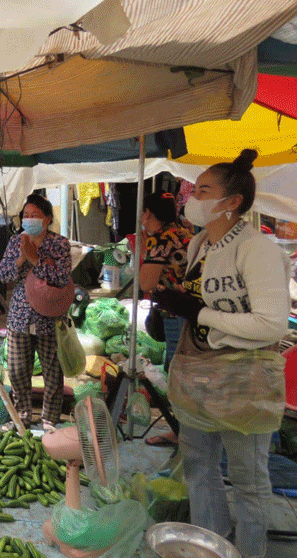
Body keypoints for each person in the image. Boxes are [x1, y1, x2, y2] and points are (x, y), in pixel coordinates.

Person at [151, 150, 289, 558]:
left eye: (203, 191)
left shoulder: (257, 249)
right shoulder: (199, 243)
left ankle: (249, 552)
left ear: (232, 202)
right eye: (194, 189)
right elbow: (207, 302)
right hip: (200, 375)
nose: (191, 197)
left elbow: (271, 325)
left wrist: (200, 313)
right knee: (199, 467)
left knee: (249, 482)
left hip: (245, 382)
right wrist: (182, 302)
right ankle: (210, 547)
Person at [0, 194, 71, 432]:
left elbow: (61, 278)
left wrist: (36, 260)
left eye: (34, 215)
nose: (29, 219)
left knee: (52, 369)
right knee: (17, 369)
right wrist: (22, 259)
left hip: (50, 314)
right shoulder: (16, 241)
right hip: (20, 314)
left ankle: (50, 418)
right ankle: (22, 415)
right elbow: (4, 275)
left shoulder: (59, 244)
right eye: (26, 216)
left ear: (47, 219)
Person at [137, 191, 191, 448]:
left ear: (148, 213)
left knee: (178, 373)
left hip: (177, 312)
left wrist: (144, 250)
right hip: (192, 311)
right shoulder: (183, 232)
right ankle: (185, 431)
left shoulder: (160, 238)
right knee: (184, 371)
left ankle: (183, 433)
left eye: (143, 213)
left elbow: (145, 282)